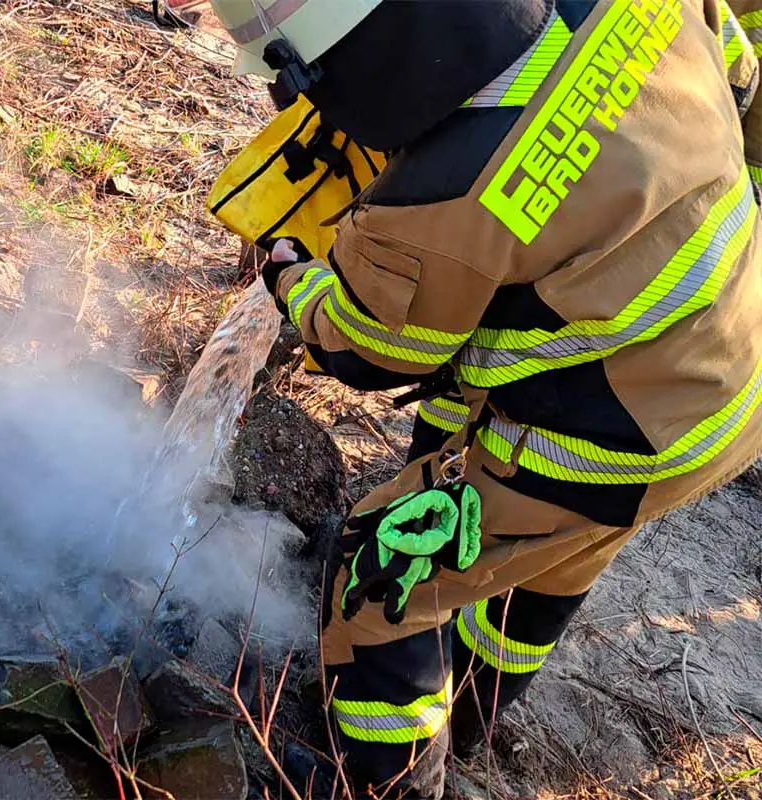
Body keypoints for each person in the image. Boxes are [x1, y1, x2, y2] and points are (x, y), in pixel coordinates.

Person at [208, 0, 762, 796]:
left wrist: (293, 275)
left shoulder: (440, 194)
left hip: (612, 438)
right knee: (555, 554)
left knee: (377, 574)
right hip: (731, 370)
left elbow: (369, 350)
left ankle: (382, 777)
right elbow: (737, 75)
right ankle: (470, 717)